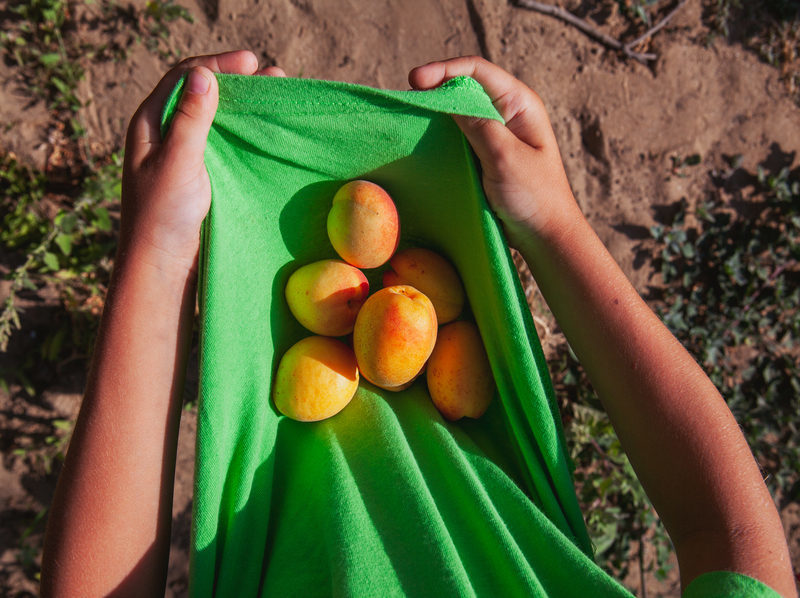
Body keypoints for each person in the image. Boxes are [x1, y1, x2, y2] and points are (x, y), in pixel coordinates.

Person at [40, 50, 795, 597]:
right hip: (447, 407)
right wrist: (554, 224)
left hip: (274, 472)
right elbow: (729, 540)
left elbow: (725, 538)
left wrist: (157, 256)